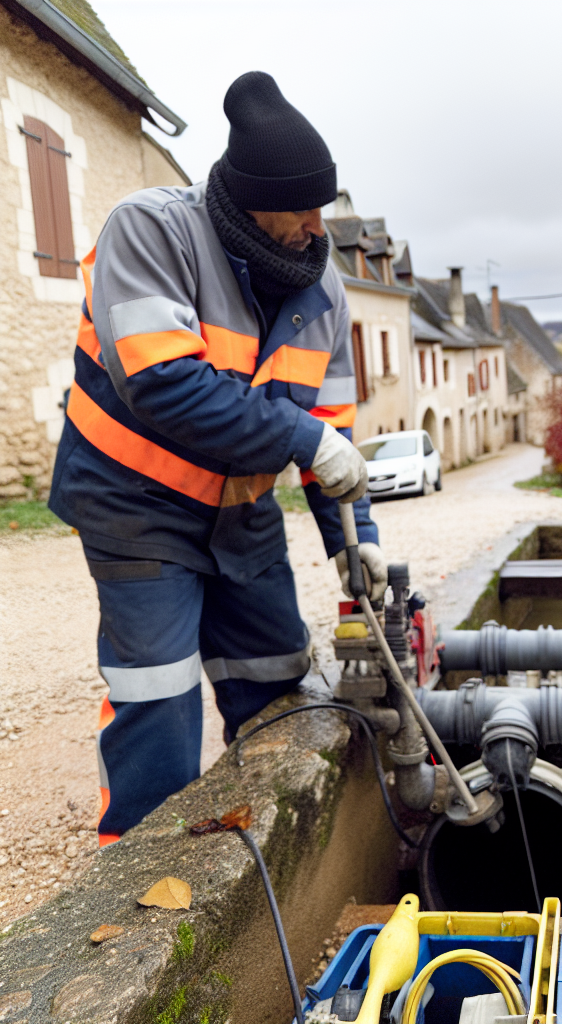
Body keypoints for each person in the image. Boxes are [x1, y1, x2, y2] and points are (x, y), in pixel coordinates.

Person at [48, 71, 387, 846]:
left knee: (279, 684)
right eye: (302, 209)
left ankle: (268, 852)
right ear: (255, 201)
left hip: (241, 511)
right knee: (159, 705)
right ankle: (135, 882)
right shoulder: (150, 231)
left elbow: (332, 431)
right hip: (136, 507)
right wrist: (306, 441)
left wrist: (354, 541)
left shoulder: (324, 291)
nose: (318, 226)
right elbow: (163, 385)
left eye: (324, 206)